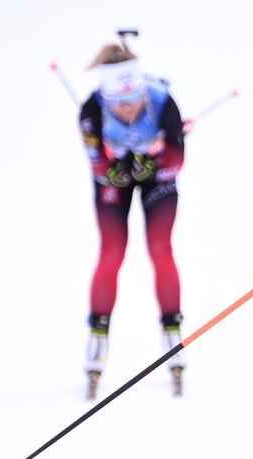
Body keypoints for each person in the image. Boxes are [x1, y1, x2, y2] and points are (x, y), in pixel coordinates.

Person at [79, 43, 187, 398]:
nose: (127, 109)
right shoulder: (91, 110)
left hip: (158, 178)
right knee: (112, 253)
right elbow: (96, 162)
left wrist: (150, 165)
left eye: (133, 100)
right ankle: (97, 338)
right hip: (115, 180)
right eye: (118, 103)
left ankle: (172, 329)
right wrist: (115, 170)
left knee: (160, 249)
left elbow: (176, 159)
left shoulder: (162, 101)